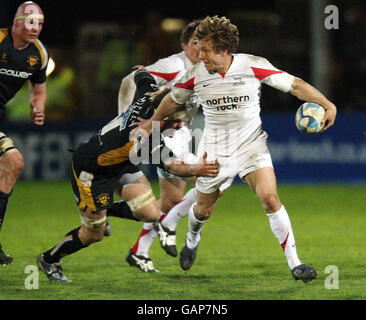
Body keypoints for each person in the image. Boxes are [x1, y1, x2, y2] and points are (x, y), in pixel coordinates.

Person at [138, 16, 337, 283]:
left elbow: (296, 85)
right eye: (198, 48)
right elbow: (173, 101)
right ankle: (193, 237)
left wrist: (329, 105)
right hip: (215, 151)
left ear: (223, 50)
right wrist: (151, 124)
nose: (200, 55)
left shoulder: (252, 66)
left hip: (251, 143)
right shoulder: (195, 75)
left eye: (205, 50)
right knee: (203, 210)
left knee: (269, 198)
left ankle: (295, 263)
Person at [36, 69, 220, 283]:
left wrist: (142, 70)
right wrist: (198, 170)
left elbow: (142, 76)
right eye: (175, 121)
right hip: (91, 172)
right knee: (94, 233)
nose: (180, 125)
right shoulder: (142, 137)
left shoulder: (151, 96)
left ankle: (103, 211)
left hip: (121, 164)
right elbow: (174, 167)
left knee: (152, 213)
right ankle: (50, 259)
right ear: (162, 115)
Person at [113, 20, 203, 272]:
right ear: (184, 44)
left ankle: (139, 251)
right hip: (160, 131)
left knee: (172, 200)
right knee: (207, 175)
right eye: (194, 42)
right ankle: (172, 227)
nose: (199, 47)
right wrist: (125, 121)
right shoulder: (174, 65)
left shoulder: (206, 68)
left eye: (203, 42)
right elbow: (130, 79)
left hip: (179, 132)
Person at [0, 1, 48, 265]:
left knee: (13, 162)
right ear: (16, 22)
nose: (36, 28)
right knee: (12, 160)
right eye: (31, 21)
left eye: (40, 23)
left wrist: (37, 107)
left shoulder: (38, 54)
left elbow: (38, 88)